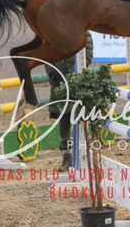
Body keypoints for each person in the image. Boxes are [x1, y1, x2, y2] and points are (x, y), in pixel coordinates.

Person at [44, 32, 94, 172]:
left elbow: (88, 53)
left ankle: (84, 155)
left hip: (76, 82)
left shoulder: (83, 30)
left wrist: (73, 73)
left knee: (81, 121)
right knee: (64, 121)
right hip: (58, 84)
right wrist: (52, 72)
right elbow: (45, 52)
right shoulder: (50, 29)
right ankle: (67, 157)